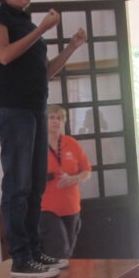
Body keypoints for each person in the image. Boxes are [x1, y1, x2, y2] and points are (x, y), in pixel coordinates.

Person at [0, 0, 87, 278]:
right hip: (12, 109)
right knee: (18, 185)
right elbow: (4, 55)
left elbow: (45, 72)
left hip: (35, 108)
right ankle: (20, 258)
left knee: (35, 185)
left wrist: (71, 47)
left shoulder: (27, 25)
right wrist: (42, 29)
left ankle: (34, 250)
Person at [40, 104, 91, 259]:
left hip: (71, 207)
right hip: (46, 208)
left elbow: (87, 171)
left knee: (67, 253)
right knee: (59, 248)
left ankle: (62, 275)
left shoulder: (72, 143)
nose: (56, 121)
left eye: (60, 118)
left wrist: (74, 179)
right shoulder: (36, 145)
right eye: (51, 117)